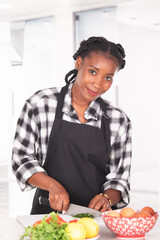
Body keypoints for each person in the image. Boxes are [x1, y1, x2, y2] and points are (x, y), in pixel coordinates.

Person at [11, 36, 132, 215]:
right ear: (78, 63)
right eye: (92, 71)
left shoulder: (118, 120)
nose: (98, 84)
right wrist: (53, 186)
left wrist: (106, 198)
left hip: (94, 219)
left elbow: (119, 178)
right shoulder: (40, 104)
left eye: (107, 77)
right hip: (46, 215)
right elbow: (22, 158)